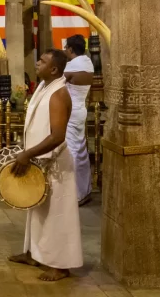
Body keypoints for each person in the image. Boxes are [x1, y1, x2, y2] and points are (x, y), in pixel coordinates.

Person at [7, 49, 83, 281]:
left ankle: (60, 265)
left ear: (54, 69)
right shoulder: (44, 86)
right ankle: (33, 253)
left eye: (42, 62)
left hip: (56, 164)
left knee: (56, 214)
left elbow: (58, 135)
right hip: (40, 161)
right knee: (37, 209)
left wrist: (28, 154)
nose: (37, 64)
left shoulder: (59, 94)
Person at [63, 34, 94, 205]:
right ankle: (84, 191)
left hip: (70, 110)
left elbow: (56, 83)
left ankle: (74, 194)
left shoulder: (71, 66)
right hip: (81, 108)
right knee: (81, 150)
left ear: (71, 49)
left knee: (72, 151)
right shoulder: (88, 63)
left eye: (66, 48)